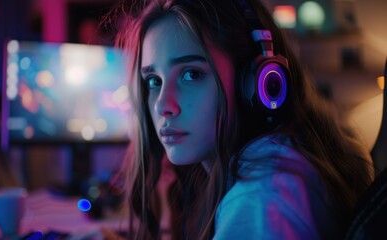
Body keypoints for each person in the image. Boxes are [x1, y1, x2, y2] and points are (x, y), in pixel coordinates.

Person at [107, 0, 375, 239]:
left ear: (257, 82)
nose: (163, 105)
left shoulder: (260, 199)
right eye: (154, 81)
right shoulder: (275, 164)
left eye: (191, 74)